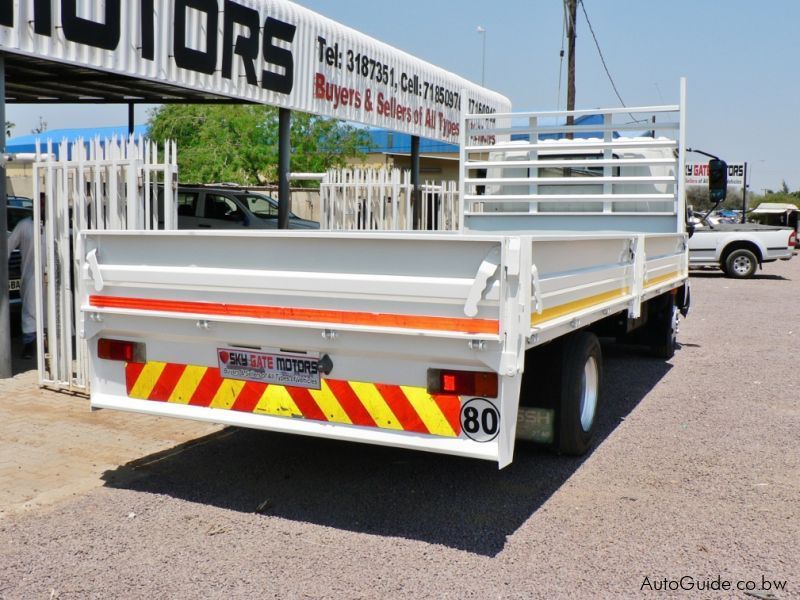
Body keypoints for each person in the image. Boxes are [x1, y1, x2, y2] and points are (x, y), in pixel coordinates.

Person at [7, 193, 45, 359]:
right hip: (30, 275)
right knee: (30, 309)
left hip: (53, 276)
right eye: (40, 205)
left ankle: (51, 345)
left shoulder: (55, 225)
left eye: (45, 205)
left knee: (51, 309)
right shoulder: (24, 225)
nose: (43, 208)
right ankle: (29, 345)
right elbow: (8, 246)